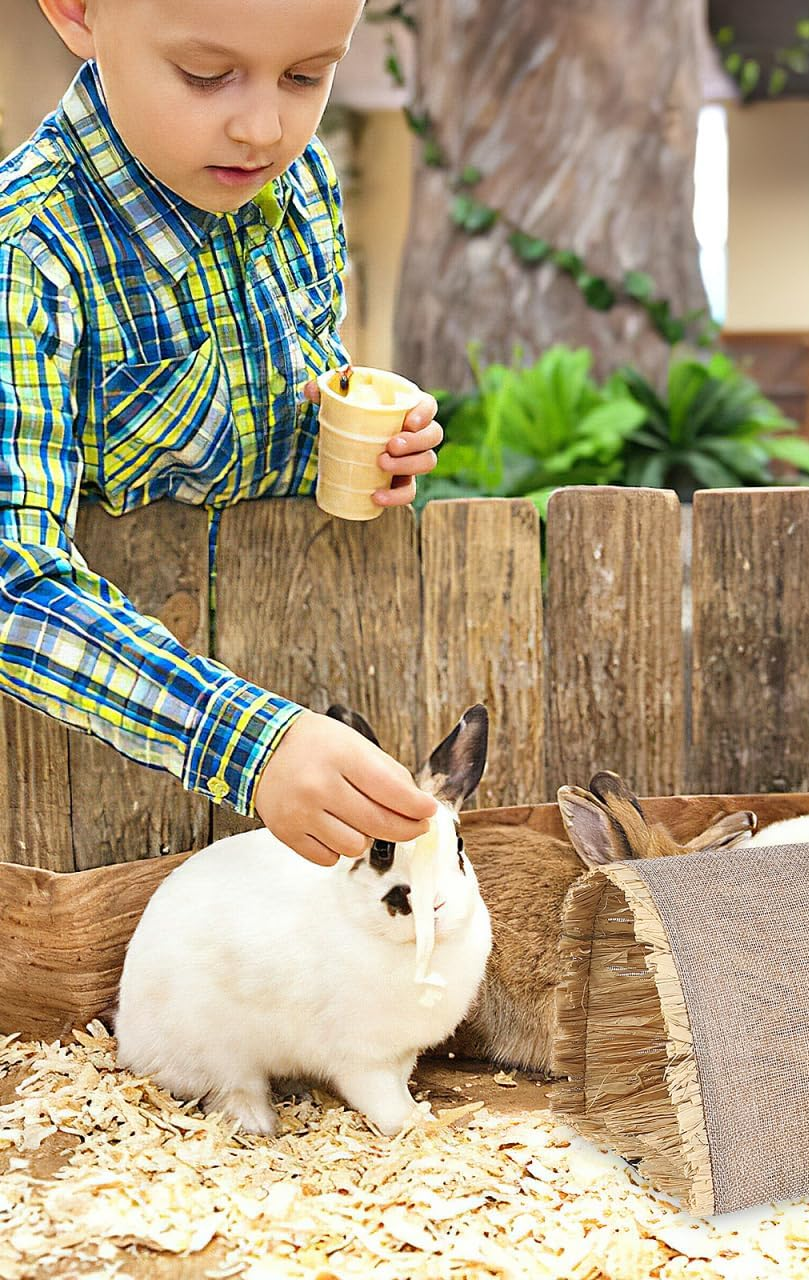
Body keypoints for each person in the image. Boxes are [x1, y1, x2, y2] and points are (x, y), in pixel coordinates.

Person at [0, 0, 444, 867]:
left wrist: (357, 444)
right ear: (78, 12)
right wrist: (254, 745)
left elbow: (281, 405)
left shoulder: (302, 185)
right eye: (206, 76)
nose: (262, 127)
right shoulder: (30, 254)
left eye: (307, 75)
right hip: (80, 794)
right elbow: (10, 575)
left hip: (307, 708)